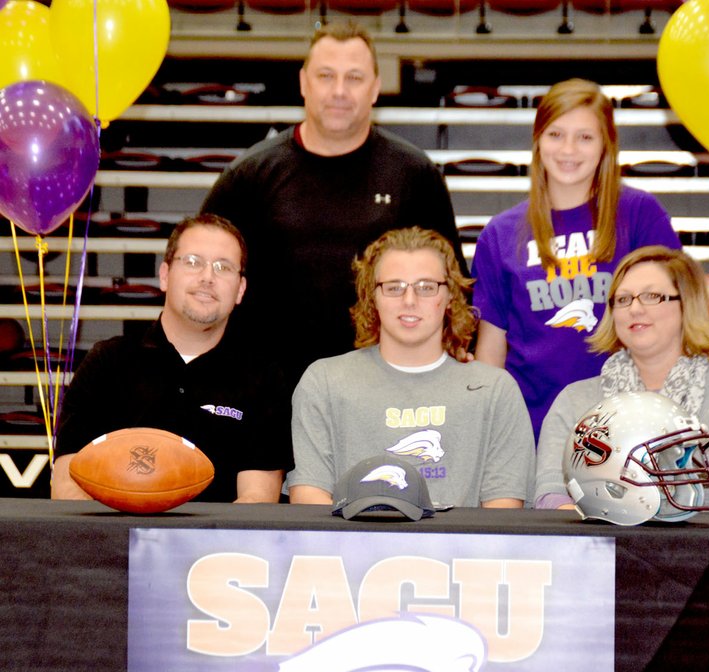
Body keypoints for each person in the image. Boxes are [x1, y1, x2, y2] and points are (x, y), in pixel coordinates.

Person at [200, 21, 465, 392]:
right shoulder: (249, 176)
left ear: (375, 87)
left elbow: (452, 291)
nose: (339, 91)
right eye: (326, 76)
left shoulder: (414, 175)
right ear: (304, 82)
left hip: (386, 389)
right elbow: (203, 279)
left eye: (354, 78)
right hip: (267, 392)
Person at [472, 78, 681, 442]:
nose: (568, 149)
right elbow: (490, 352)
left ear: (605, 145)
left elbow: (674, 322)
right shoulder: (500, 234)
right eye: (556, 134)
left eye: (585, 137)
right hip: (532, 433)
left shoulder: (640, 215)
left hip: (628, 430)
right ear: (538, 140)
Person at [51, 214, 293, 503]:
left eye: (223, 267)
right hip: (116, 546)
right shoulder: (107, 363)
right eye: (192, 262)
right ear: (164, 275)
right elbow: (68, 488)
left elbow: (257, 501)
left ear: (240, 290)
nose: (207, 277)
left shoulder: (263, 377)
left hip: (215, 547)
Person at [287, 227, 534, 509]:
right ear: (372, 295)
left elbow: (503, 512)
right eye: (394, 287)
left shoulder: (494, 390)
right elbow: (309, 498)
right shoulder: (325, 382)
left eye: (426, 287)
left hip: (462, 551)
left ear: (450, 295)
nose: (409, 301)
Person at [534, 245, 709, 514]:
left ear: (687, 303)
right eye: (623, 299)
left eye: (652, 296)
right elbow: (550, 495)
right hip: (601, 553)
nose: (635, 308)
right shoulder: (575, 401)